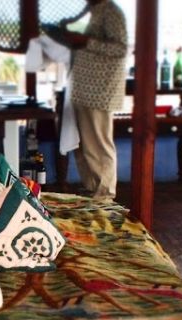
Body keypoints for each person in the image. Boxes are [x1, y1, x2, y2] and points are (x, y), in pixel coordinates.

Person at [53, 0, 128, 200]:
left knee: (99, 145)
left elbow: (120, 49)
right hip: (86, 90)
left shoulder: (111, 11)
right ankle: (94, 189)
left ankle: (105, 194)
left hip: (99, 91)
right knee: (86, 146)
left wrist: (83, 41)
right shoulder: (98, 11)